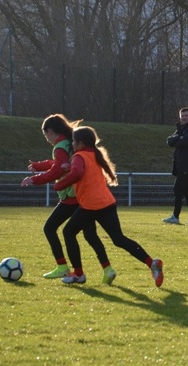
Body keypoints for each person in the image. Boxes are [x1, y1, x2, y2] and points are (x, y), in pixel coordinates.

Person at [53, 126, 164, 287]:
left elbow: (78, 173)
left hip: (91, 205)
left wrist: (59, 185)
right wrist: (69, 168)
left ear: (81, 143)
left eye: (74, 141)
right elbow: (84, 171)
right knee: (118, 239)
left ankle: (78, 274)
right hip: (107, 203)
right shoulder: (94, 154)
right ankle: (151, 263)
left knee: (68, 232)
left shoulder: (79, 156)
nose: (72, 144)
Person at [21, 114, 116, 284]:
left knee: (50, 228)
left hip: (70, 197)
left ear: (50, 132)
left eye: (45, 135)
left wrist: (35, 179)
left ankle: (65, 267)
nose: (46, 139)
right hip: (81, 196)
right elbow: (59, 163)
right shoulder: (70, 142)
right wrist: (39, 165)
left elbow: (57, 170)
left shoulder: (60, 146)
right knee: (90, 235)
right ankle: (107, 269)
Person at [163, 107, 188, 224]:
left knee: (177, 189)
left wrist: (178, 139)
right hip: (182, 165)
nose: (184, 118)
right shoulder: (182, 129)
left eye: (186, 115)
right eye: (182, 116)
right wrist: (179, 137)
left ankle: (175, 216)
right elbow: (169, 141)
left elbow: (183, 142)